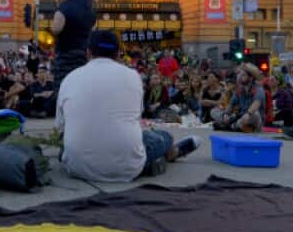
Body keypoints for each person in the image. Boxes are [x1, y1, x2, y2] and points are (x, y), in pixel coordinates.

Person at [55, 29, 200, 182]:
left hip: (78, 167)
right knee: (162, 137)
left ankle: (157, 159)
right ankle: (173, 152)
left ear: (88, 52)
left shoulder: (70, 78)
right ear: (118, 54)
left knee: (68, 143)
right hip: (127, 166)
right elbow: (135, 118)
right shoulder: (133, 76)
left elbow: (60, 126)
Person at [51, 0, 96, 87]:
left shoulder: (64, 7)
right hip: (82, 55)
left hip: (65, 55)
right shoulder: (90, 11)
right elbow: (92, 32)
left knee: (62, 86)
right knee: (79, 86)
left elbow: (56, 28)